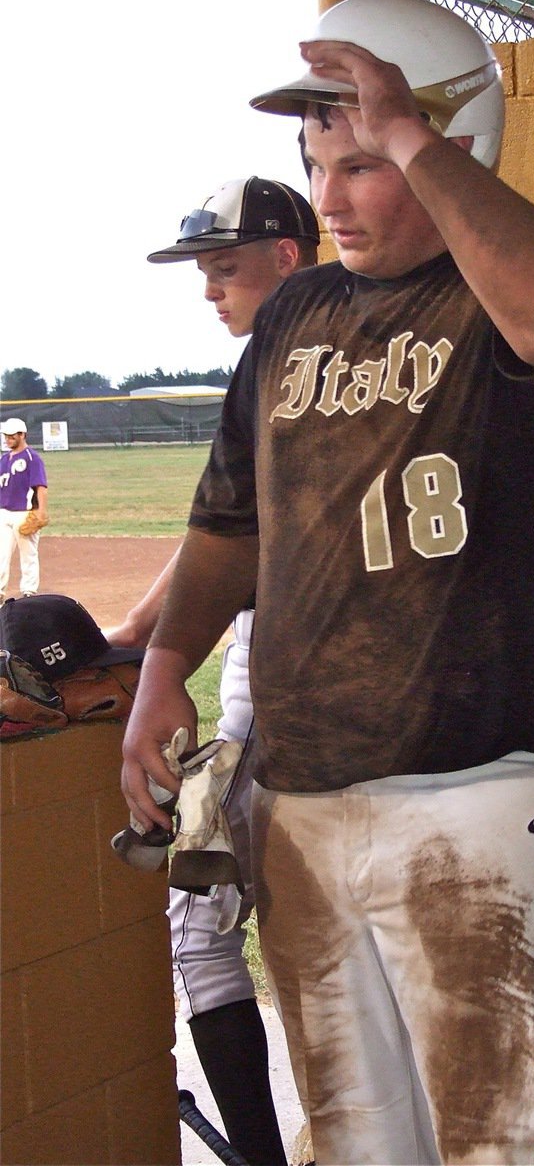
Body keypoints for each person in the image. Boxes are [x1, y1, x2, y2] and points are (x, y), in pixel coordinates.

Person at [122, 0, 534, 1166]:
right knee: (350, 1143)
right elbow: (227, 527)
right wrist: (160, 670)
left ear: (452, 144)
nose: (331, 196)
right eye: (317, 165)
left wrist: (410, 131)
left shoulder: (532, 277)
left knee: (503, 1143)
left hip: (484, 793)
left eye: (361, 163)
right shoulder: (296, 311)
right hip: (302, 799)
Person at [109, 175, 319, 1166]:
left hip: (269, 721)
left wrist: (144, 646)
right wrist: (138, 637)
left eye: (223, 268)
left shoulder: (292, 373)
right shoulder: (313, 364)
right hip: (279, 710)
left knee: (209, 935)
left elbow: (225, 549)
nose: (208, 291)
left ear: (286, 258)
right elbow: (215, 541)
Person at [0, 418, 49, 603]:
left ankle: (29, 591)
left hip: (25, 512)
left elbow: (41, 487)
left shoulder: (32, 458)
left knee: (28, 554)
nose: (8, 439)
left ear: (22, 435)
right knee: (1, 554)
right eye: (6, 435)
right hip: (3, 513)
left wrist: (41, 512)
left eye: (12, 435)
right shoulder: (4, 459)